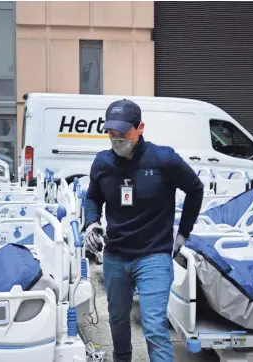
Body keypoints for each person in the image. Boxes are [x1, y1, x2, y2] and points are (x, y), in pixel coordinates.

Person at [83, 99, 204, 362]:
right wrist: (92, 223)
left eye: (123, 133)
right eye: (111, 133)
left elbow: (195, 188)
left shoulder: (164, 159)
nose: (116, 139)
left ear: (140, 128)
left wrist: (182, 233)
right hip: (115, 255)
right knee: (116, 319)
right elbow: (92, 197)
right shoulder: (102, 163)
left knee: (153, 327)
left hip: (154, 256)